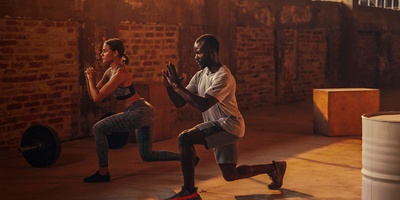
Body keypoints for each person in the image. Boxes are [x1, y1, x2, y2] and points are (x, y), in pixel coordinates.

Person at [163, 34, 287, 199]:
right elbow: (179, 102)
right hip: (219, 127)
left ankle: (189, 191)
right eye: (195, 53)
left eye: (199, 53)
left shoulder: (224, 76)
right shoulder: (200, 75)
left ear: (212, 52)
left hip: (229, 126)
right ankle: (274, 168)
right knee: (230, 175)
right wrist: (170, 87)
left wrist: (178, 86)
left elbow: (203, 104)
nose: (195, 57)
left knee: (184, 138)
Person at [83, 38, 181, 183]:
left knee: (98, 128)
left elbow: (97, 98)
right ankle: (186, 156)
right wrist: (88, 78)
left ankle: (103, 173)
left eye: (104, 51)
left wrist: (91, 79)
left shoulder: (120, 74)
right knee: (147, 155)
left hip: (139, 111)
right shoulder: (110, 72)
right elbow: (93, 95)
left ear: (115, 53)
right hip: (143, 111)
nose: (101, 54)